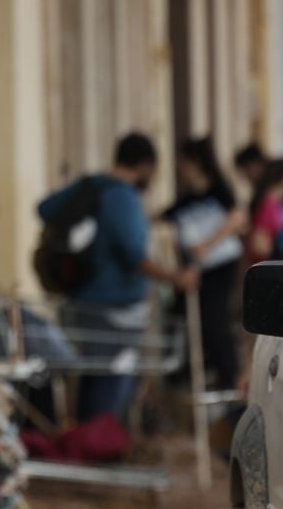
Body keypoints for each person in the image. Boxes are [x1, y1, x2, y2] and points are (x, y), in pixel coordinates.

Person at [37, 133, 196, 423]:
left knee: (91, 378)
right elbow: (136, 256)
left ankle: (89, 443)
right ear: (146, 166)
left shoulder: (90, 185)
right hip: (116, 310)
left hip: (79, 302)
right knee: (111, 385)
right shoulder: (124, 198)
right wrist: (174, 277)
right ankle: (101, 447)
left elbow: (44, 209)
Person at [165, 138, 243, 394]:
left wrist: (207, 245)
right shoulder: (186, 200)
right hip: (195, 269)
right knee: (187, 319)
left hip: (219, 265)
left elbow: (237, 218)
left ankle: (227, 379)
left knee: (214, 321)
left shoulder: (219, 191)